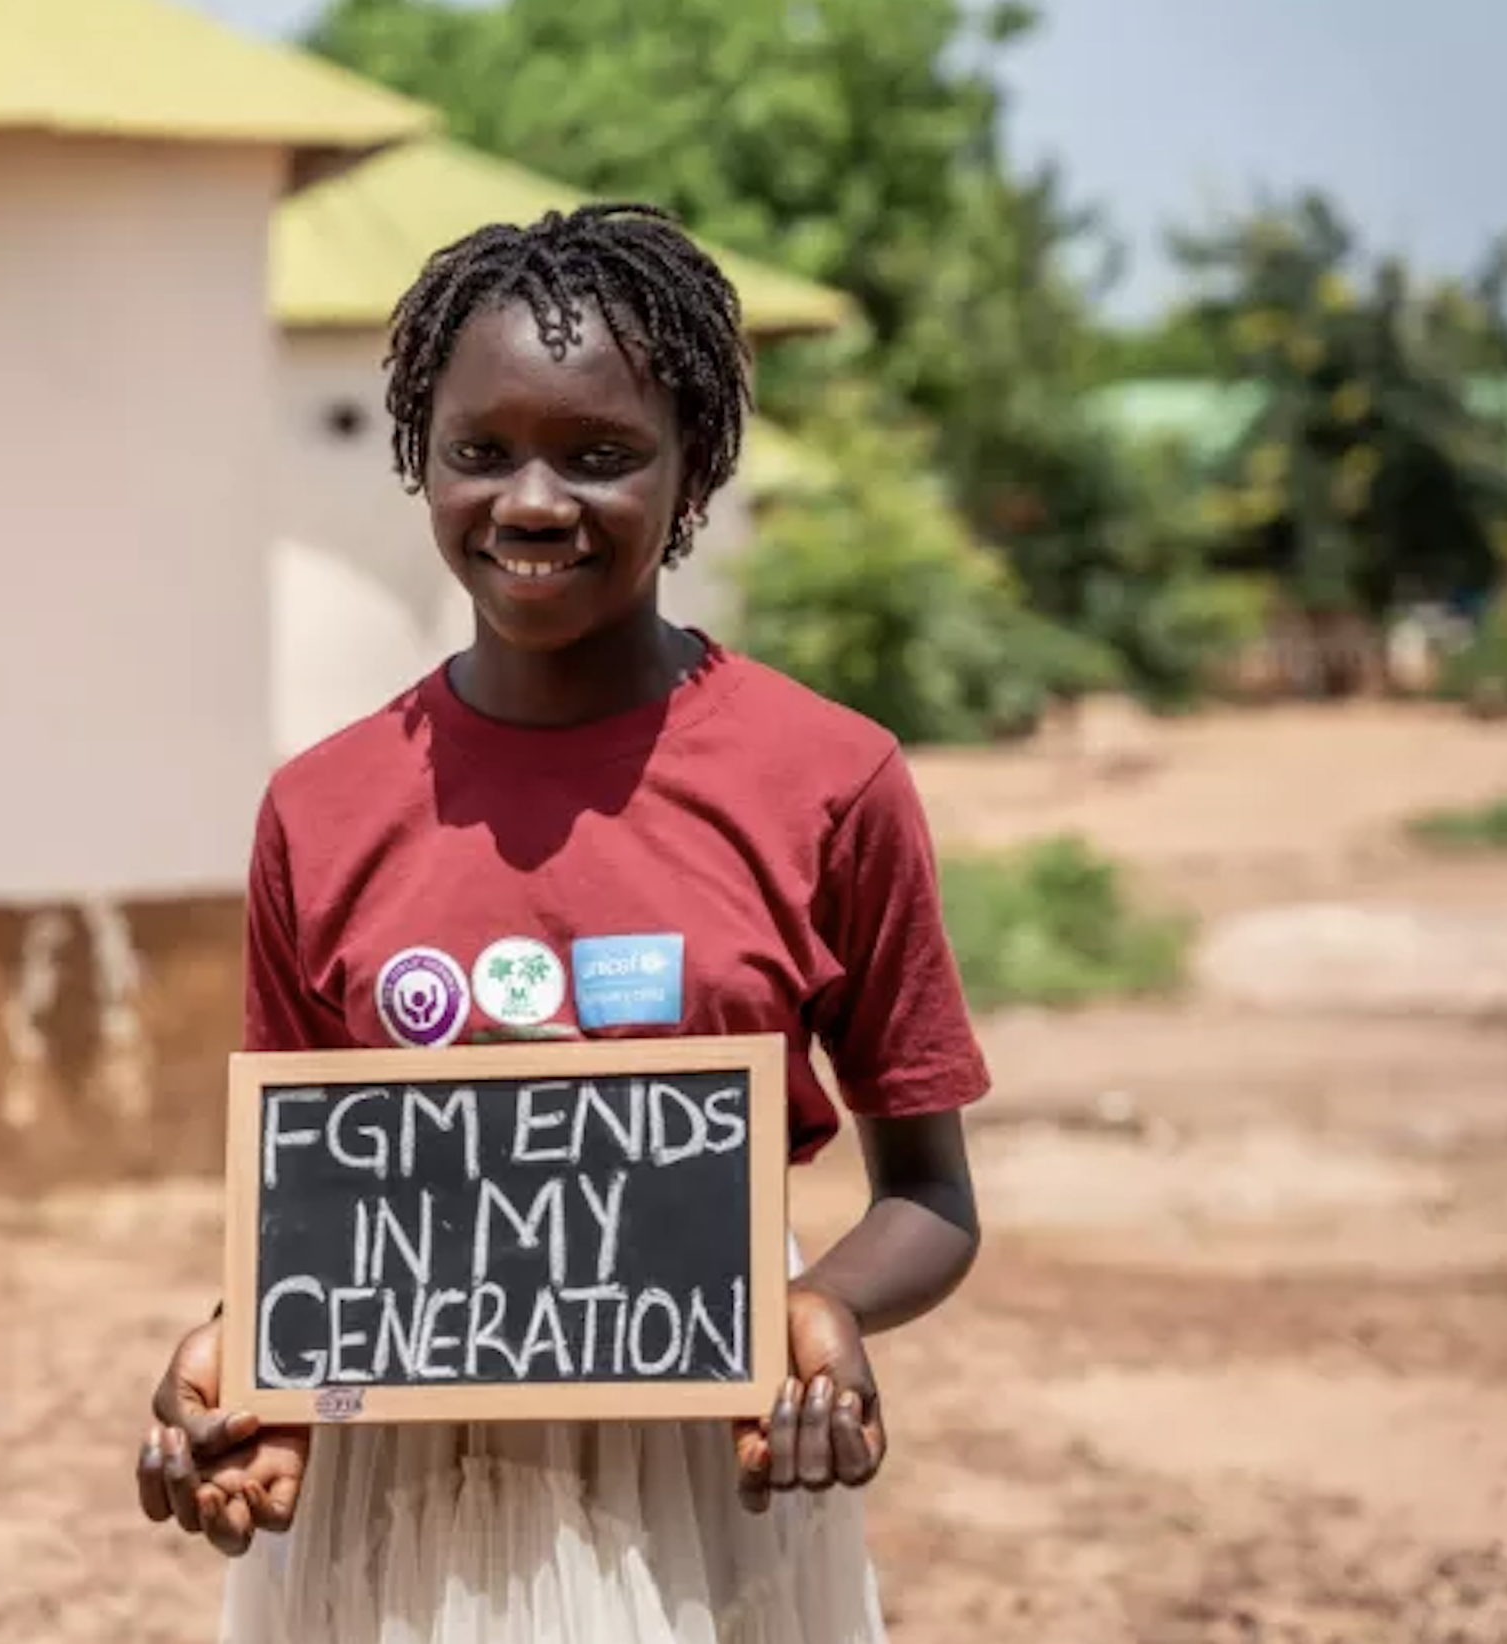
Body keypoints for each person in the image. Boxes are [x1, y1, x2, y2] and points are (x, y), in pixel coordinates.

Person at [133, 203, 990, 1644]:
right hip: (392, 1492)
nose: (532, 502)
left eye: (601, 456)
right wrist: (241, 1364)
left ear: (696, 470)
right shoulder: (322, 807)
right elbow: (307, 1215)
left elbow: (930, 1198)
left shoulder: (826, 780)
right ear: (420, 459)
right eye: (480, 452)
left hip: (705, 1466)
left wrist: (819, 1319)